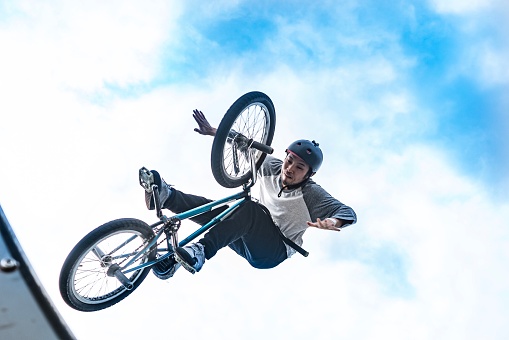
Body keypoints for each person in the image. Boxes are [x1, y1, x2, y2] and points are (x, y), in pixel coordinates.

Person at [144, 110, 357, 279]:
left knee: (250, 210)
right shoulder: (271, 165)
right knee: (220, 211)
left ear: (309, 174)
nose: (290, 169)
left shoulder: (311, 193)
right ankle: (166, 198)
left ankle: (201, 251)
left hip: (273, 251)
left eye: (299, 167)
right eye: (289, 160)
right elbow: (243, 143)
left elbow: (347, 212)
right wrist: (214, 132)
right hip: (247, 234)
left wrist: (332, 221)